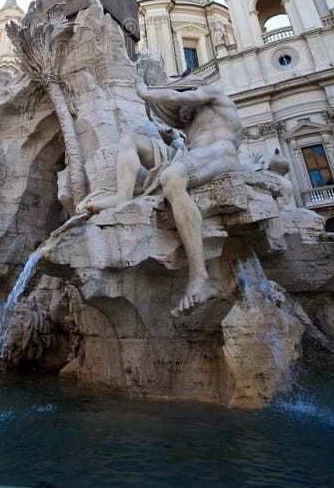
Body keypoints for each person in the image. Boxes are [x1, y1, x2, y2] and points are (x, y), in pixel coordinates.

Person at [85, 70, 243, 317]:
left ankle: (200, 277)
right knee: (130, 140)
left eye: (182, 106)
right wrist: (174, 141)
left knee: (171, 177)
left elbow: (178, 97)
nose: (180, 115)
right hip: (192, 157)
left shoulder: (213, 93)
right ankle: (123, 195)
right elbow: (190, 148)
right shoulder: (190, 126)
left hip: (221, 153)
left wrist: (145, 92)